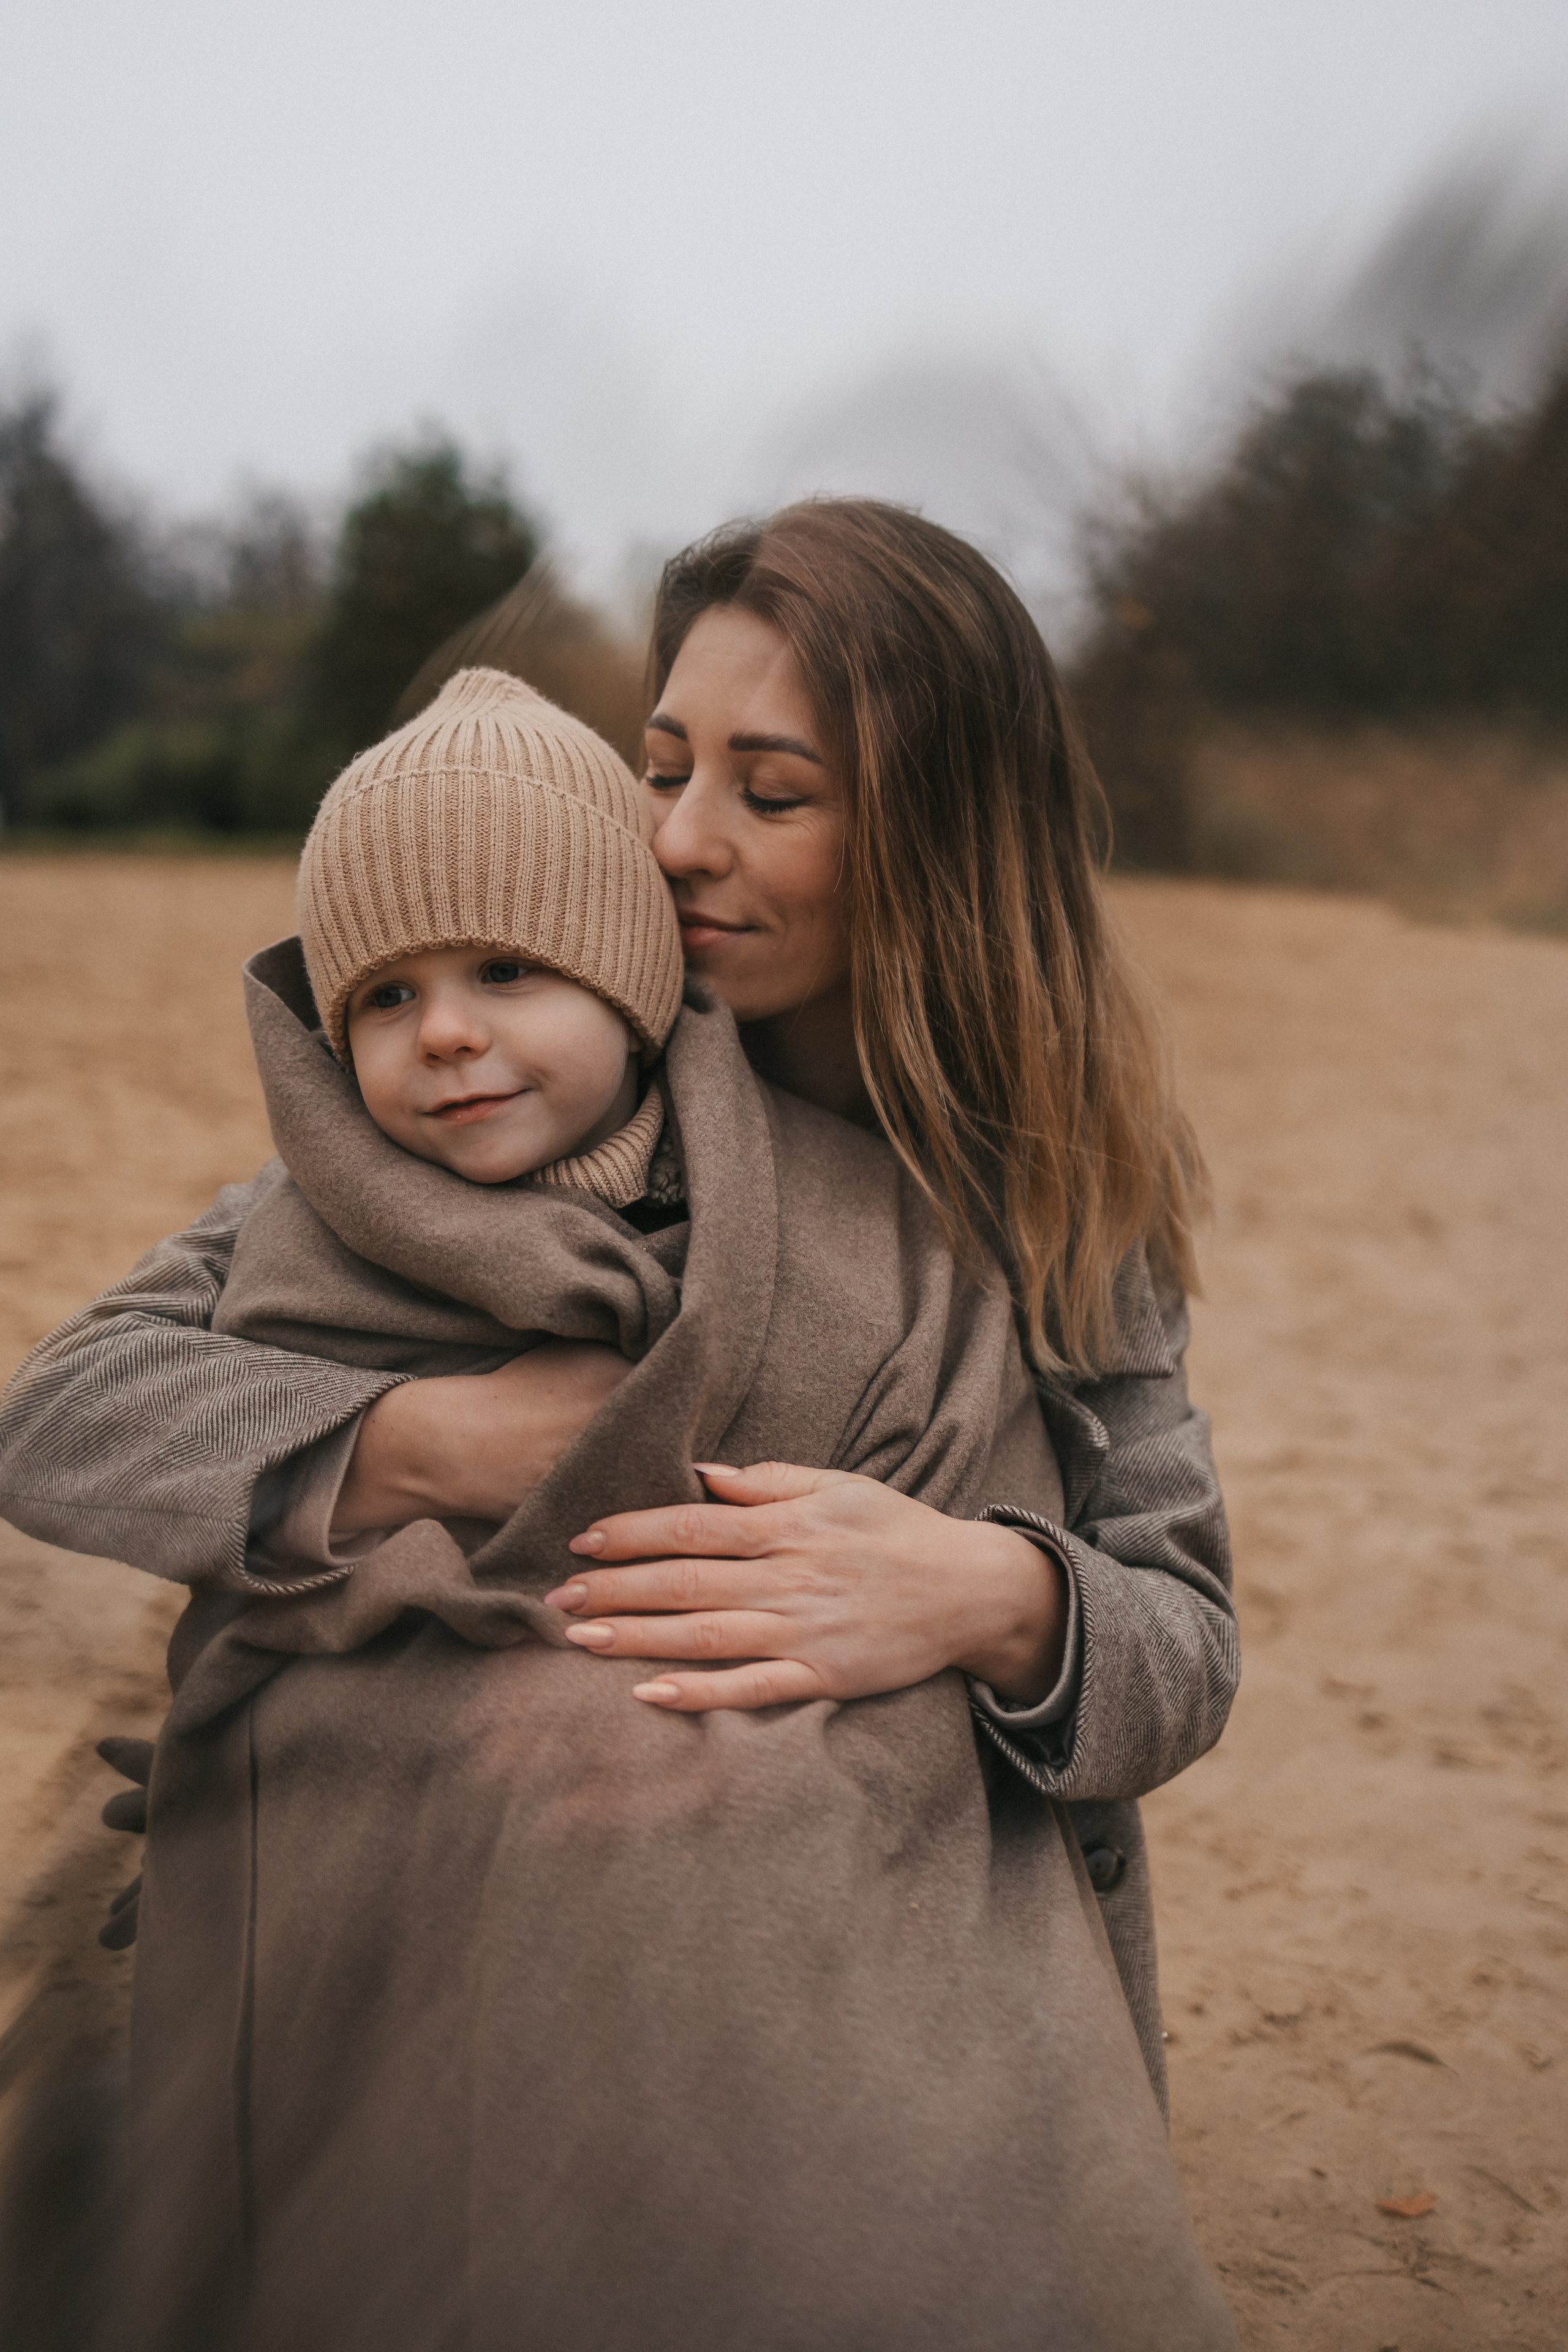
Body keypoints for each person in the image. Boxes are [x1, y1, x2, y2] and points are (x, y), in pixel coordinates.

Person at [0, 499, 1240, 2352]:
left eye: (772, 789)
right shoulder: (514, 1098)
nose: (677, 840)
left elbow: (1186, 1642)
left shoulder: (1054, 1197)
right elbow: (83, 1402)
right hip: (501, 1859)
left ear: (935, 831)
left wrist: (990, 1593)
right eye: (663, 768)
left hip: (880, 1929)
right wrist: (425, 1441)